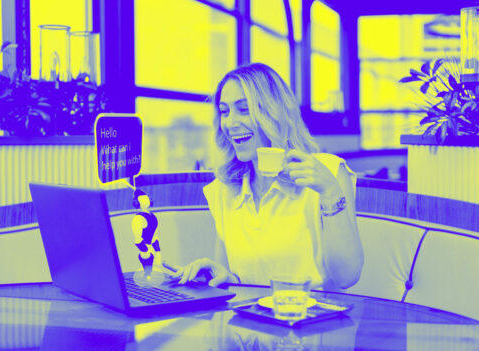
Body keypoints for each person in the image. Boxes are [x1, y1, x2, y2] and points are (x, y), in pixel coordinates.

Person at [171, 63, 363, 291]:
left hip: (312, 320)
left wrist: (331, 192)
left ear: (273, 113)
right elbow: (232, 282)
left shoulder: (328, 173)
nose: (230, 123)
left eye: (244, 109)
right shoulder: (224, 189)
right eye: (224, 111)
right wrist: (223, 276)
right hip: (249, 322)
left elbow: (347, 277)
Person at [131, 189, 161, 273]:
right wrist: (151, 252)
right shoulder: (150, 217)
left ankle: (148, 273)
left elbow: (138, 240)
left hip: (147, 250)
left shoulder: (140, 218)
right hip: (147, 250)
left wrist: (155, 252)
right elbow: (138, 240)